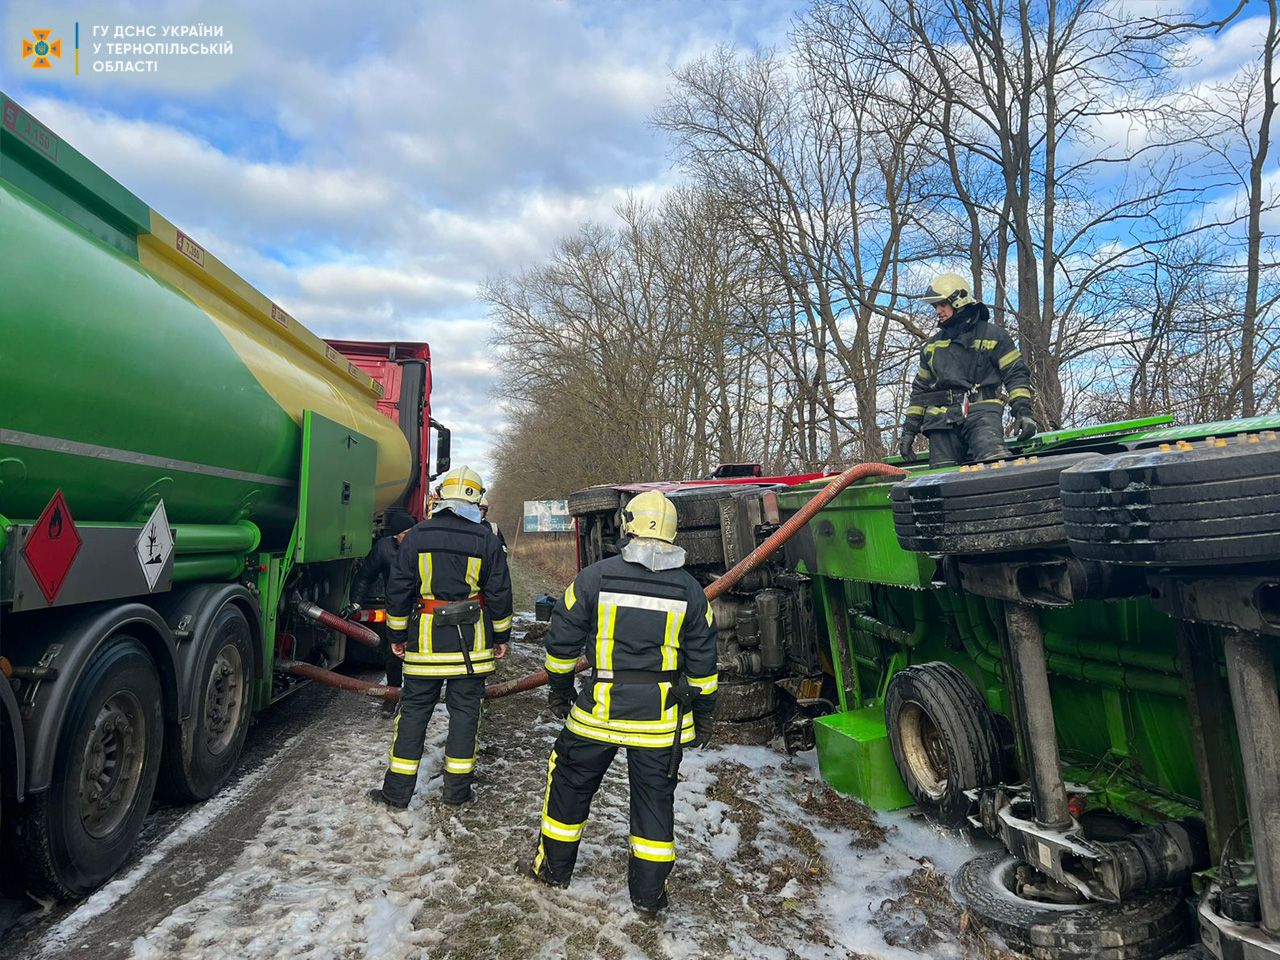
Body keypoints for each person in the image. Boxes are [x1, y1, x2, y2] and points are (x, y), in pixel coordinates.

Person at [526, 490, 718, 919]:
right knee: (654, 803)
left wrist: (559, 688)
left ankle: (554, 872)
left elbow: (561, 642)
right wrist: (704, 713)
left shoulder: (593, 578)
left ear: (628, 526)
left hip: (598, 713)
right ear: (672, 534)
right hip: (660, 721)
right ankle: (648, 899)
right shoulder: (691, 592)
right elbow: (705, 665)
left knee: (569, 789)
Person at [369, 466, 513, 809]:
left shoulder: (416, 536)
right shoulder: (487, 540)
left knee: (414, 713)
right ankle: (457, 793)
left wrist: (398, 635)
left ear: (440, 498)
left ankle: (396, 793)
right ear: (476, 500)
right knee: (465, 715)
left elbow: (399, 591)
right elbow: (500, 594)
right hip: (472, 647)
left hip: (424, 646)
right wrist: (501, 635)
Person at [899, 273, 1039, 467]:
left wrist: (1023, 412)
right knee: (941, 483)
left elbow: (1016, 375)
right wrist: (909, 432)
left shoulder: (994, 335)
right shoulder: (932, 347)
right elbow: (920, 393)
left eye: (942, 304)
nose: (938, 311)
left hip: (982, 414)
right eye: (935, 307)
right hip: (941, 421)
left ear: (958, 301)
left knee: (995, 468)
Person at [345, 508, 417, 716]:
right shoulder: (383, 549)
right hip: (394, 608)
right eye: (406, 534)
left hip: (420, 607)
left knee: (416, 657)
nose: (410, 537)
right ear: (396, 535)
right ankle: (392, 697)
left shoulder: (421, 546)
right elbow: (366, 575)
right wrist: (356, 602)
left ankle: (413, 699)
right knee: (393, 655)